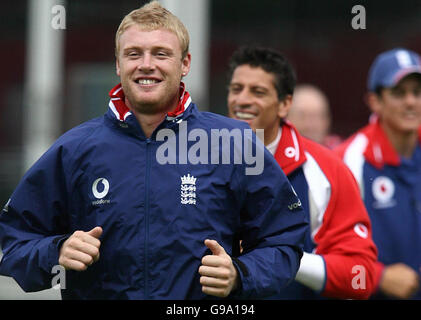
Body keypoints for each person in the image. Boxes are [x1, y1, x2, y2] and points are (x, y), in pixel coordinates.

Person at [0, 1, 308, 300]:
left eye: (161, 54)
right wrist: (56, 250)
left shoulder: (234, 142)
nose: (147, 65)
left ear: (185, 63)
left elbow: (284, 239)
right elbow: (14, 242)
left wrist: (240, 274)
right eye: (134, 54)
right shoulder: (74, 149)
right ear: (118, 64)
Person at [226, 46, 378, 299]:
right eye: (236, 89)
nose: (242, 100)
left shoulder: (326, 170)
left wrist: (279, 258)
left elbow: (361, 276)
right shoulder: (203, 160)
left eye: (258, 91)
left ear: (285, 104)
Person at [335, 48, 421, 300]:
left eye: (417, 92)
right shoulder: (349, 160)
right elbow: (322, 249)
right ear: (375, 101)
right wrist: (378, 276)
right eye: (398, 93)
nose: (411, 102)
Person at [287, 84, 342, 149]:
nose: (310, 125)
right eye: (302, 116)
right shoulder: (275, 153)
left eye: (317, 117)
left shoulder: (341, 153)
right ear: (286, 118)